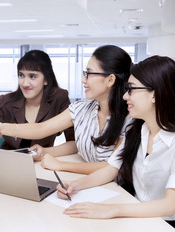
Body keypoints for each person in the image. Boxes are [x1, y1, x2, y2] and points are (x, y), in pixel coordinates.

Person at [56, 55, 175, 226]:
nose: (125, 96)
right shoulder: (137, 130)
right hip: (137, 218)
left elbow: (169, 206)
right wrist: (76, 185)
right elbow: (111, 169)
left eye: (132, 89)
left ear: (154, 94)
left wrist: (113, 210)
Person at [0, 45, 133, 174]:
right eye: (21, 75)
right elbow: (41, 128)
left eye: (88, 73)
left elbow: (110, 168)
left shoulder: (130, 118)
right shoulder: (81, 108)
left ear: (110, 80)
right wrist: (2, 128)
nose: (83, 80)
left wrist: (60, 165)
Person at [0, 50, 74, 151]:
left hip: (41, 163)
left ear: (46, 79)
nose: (25, 83)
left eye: (32, 76)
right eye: (21, 75)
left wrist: (45, 153)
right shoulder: (6, 101)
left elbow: (74, 141)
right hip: (8, 158)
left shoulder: (59, 98)